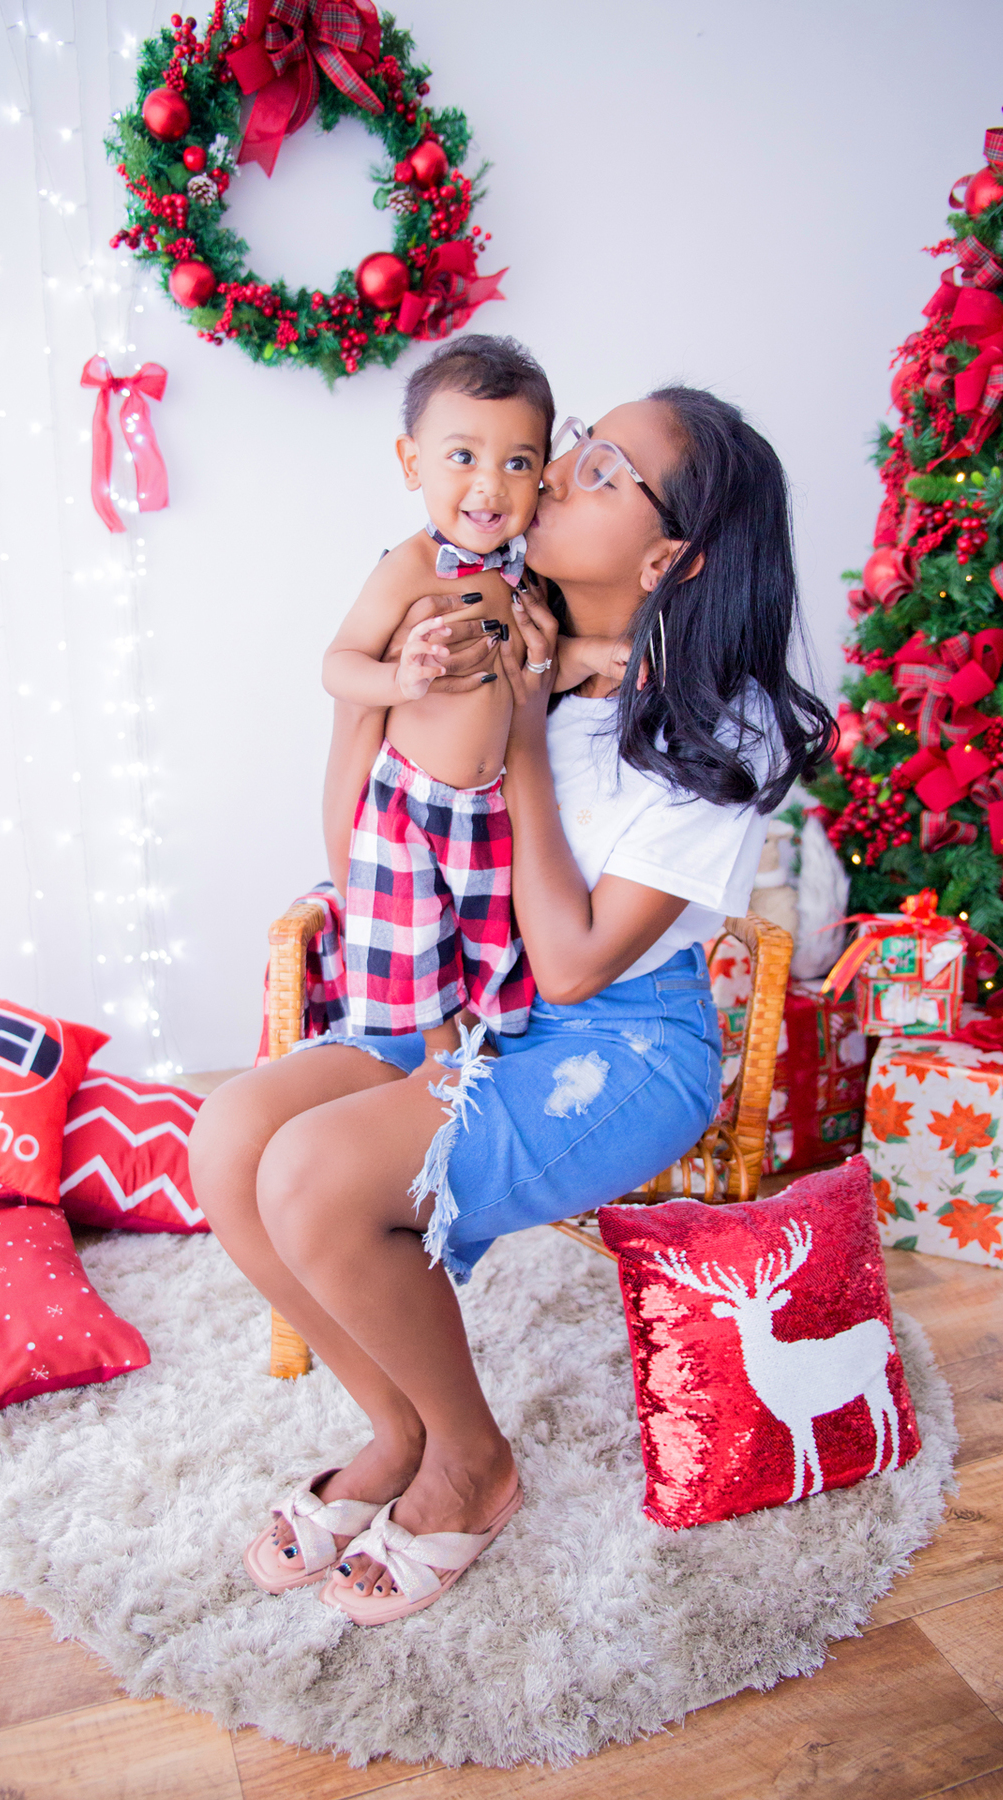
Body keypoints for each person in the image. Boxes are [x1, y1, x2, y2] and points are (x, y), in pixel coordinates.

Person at [188, 383, 835, 1626]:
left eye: (602, 469)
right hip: (464, 1000)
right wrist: (380, 703)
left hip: (615, 1042)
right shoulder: (477, 616)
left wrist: (530, 734)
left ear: (669, 556)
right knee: (229, 1140)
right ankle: (397, 1431)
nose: (558, 470)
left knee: (315, 1176)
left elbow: (579, 960)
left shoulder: (716, 722)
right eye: (579, 444)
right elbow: (356, 803)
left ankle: (475, 1468)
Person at [321, 335, 628, 1057]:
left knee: (487, 930)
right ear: (411, 462)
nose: (490, 486)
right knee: (418, 933)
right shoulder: (410, 568)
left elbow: (535, 667)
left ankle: (484, 1042)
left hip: (489, 801)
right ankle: (435, 1057)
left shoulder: (527, 577)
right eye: (463, 457)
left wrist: (598, 654)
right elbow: (338, 665)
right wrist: (399, 680)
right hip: (410, 805)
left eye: (517, 463)